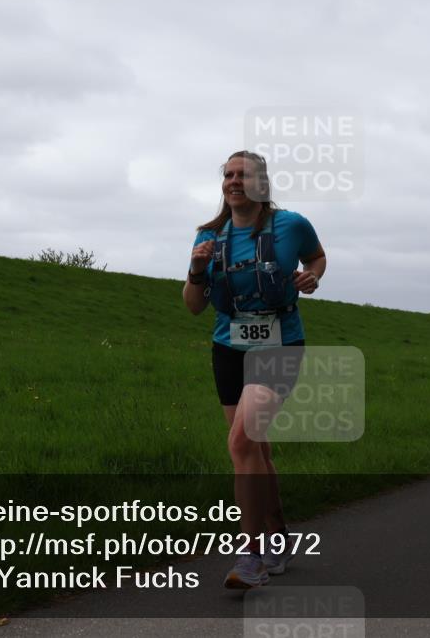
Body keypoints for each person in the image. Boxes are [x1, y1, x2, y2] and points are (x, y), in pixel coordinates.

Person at [183, 150, 326, 589]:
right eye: (227, 175)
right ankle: (278, 536)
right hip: (229, 347)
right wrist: (197, 268)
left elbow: (316, 258)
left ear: (262, 182)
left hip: (279, 344)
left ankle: (251, 557)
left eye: (243, 174)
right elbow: (193, 306)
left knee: (241, 440)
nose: (233, 181)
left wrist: (312, 276)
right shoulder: (209, 235)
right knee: (256, 450)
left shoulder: (292, 225)